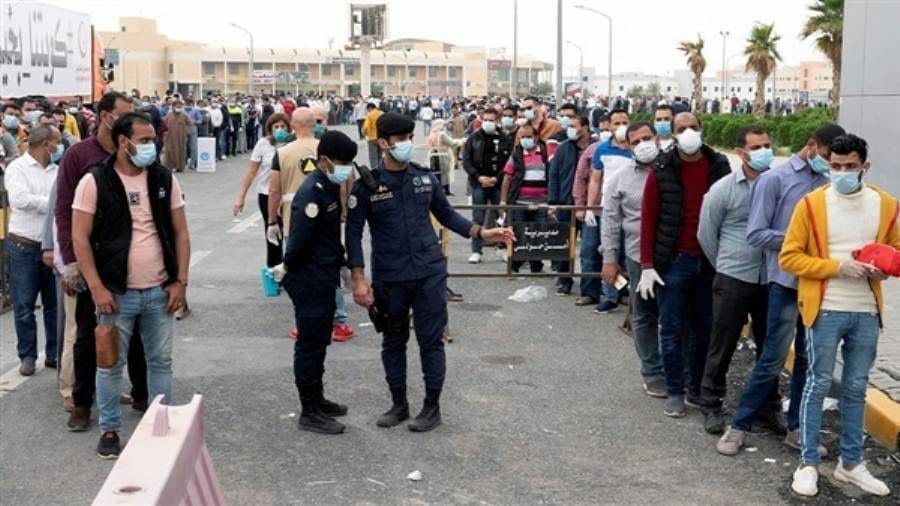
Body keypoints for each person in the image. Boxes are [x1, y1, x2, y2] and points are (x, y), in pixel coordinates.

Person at [346, 112, 514, 432]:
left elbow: (447, 215)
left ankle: (431, 407)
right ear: (383, 143)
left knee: (430, 341)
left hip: (429, 273)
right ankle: (399, 404)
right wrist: (358, 279)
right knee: (393, 341)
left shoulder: (425, 178)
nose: (407, 144)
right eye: (401, 139)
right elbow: (353, 234)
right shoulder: (366, 187)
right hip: (390, 276)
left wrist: (481, 232)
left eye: (410, 138)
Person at [717, 123, 846, 456]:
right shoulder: (775, 180)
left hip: (819, 285)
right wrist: (799, 242)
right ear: (811, 146)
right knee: (772, 359)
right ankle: (739, 426)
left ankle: (796, 428)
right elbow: (756, 233)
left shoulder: (828, 183)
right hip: (786, 284)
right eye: (828, 156)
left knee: (807, 360)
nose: (831, 163)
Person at [70, 112, 189, 459]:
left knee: (161, 362)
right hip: (115, 294)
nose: (152, 146)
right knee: (109, 364)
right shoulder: (95, 181)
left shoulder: (163, 178)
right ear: (123, 142)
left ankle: (159, 427)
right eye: (144, 140)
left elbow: (181, 233)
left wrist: (180, 281)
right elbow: (80, 238)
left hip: (160, 291)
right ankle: (110, 430)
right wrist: (97, 287)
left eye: (153, 139)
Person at [782, 134, 896, 498]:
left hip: (866, 311)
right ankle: (807, 463)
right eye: (835, 166)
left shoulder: (886, 205)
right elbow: (789, 257)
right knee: (817, 383)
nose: (842, 172)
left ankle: (850, 463)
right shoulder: (811, 204)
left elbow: (895, 251)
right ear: (827, 163)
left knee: (857, 387)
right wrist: (837, 267)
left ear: (865, 167)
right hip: (826, 307)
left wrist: (883, 269)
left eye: (850, 166)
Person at [55, 92, 149, 432]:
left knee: (136, 333)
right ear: (105, 116)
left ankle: (142, 394)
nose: (128, 119)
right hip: (90, 260)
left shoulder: (134, 154)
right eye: (123, 113)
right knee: (87, 335)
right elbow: (63, 211)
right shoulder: (79, 156)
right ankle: (82, 403)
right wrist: (70, 261)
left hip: (131, 259)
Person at [637, 112, 731, 418]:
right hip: (674, 261)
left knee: (705, 328)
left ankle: (696, 388)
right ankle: (675, 390)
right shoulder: (662, 169)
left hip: (709, 261)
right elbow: (649, 219)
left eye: (693, 127)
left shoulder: (718, 166)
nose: (688, 132)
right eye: (682, 129)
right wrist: (647, 264)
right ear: (674, 135)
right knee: (672, 328)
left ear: (701, 130)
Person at [269, 131, 358, 434]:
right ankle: (309, 411)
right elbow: (299, 239)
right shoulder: (312, 192)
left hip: (323, 275)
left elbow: (329, 236)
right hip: (308, 278)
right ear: (324, 161)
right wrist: (286, 267)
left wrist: (342, 263)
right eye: (342, 162)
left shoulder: (329, 186)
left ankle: (317, 399)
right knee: (309, 345)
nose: (346, 168)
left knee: (320, 342)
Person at [695, 125, 776, 434]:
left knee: (770, 346)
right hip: (733, 277)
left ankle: (767, 406)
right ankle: (711, 403)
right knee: (723, 343)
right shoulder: (723, 189)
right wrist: (725, 266)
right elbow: (706, 234)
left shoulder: (778, 185)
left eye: (767, 145)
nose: (764, 151)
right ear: (742, 153)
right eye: (756, 147)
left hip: (770, 279)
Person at [602, 121, 665, 398]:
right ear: (627, 146)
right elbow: (611, 221)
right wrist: (609, 259)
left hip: (672, 254)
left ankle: (680, 371)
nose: (642, 145)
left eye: (646, 138)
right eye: (636, 141)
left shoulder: (671, 169)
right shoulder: (620, 178)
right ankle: (652, 372)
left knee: (678, 315)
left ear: (657, 138)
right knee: (644, 314)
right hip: (638, 256)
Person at [5, 124, 61, 376]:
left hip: (51, 246)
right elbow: (20, 200)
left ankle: (53, 352)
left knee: (53, 305)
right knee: (24, 305)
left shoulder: (57, 171)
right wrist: (52, 204)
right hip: (24, 245)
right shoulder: (17, 168)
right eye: (57, 142)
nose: (59, 147)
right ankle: (27, 356)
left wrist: (51, 205)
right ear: (46, 144)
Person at [587, 109, 633, 312]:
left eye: (625, 122)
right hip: (609, 208)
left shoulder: (636, 148)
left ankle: (628, 292)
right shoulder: (602, 149)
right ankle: (610, 295)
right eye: (617, 123)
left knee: (630, 252)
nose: (621, 127)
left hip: (632, 208)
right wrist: (590, 207)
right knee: (609, 251)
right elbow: (595, 179)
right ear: (610, 126)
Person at [234, 113, 291, 267]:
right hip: (267, 196)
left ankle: (292, 270)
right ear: (270, 129)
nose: (280, 130)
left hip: (288, 196)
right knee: (273, 234)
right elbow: (251, 171)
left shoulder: (293, 144)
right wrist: (241, 197)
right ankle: (274, 270)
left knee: (291, 234)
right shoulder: (263, 144)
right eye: (276, 127)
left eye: (283, 126)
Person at [547, 114, 591, 295]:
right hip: (566, 203)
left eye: (574, 126)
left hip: (589, 205)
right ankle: (564, 279)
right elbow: (554, 175)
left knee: (589, 248)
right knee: (565, 244)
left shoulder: (595, 148)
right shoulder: (563, 148)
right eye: (569, 126)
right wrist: (553, 202)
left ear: (585, 128)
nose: (569, 130)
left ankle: (590, 285)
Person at [462, 107, 512, 264]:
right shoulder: (474, 138)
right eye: (486, 120)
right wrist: (478, 177)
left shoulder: (505, 138)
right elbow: (466, 161)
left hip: (497, 184)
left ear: (497, 121)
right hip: (479, 184)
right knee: (478, 218)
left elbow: (509, 162)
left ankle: (502, 248)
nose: (488, 123)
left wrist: (497, 178)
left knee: (502, 217)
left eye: (491, 120)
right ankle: (476, 250)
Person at [499, 123, 549, 273]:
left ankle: (536, 264)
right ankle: (516, 263)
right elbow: (507, 179)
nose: (525, 140)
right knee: (519, 233)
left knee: (539, 233)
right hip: (520, 202)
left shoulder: (546, 154)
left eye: (529, 136)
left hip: (541, 202)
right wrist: (503, 200)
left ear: (536, 137)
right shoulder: (516, 155)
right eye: (522, 137)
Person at [426, 119, 464, 196]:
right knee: (445, 173)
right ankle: (445, 190)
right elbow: (451, 143)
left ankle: (438, 190)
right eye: (443, 125)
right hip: (442, 155)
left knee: (436, 173)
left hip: (433, 155)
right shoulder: (442, 134)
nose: (444, 127)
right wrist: (461, 141)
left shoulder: (432, 133)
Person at [163, 101, 192, 172]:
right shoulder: (169, 114)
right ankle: (169, 166)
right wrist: (165, 133)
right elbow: (163, 123)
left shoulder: (184, 115)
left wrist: (187, 130)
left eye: (180, 107)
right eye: (177, 107)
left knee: (181, 151)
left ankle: (180, 167)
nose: (178, 108)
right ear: (173, 107)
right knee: (170, 151)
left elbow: (190, 123)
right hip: (170, 136)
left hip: (181, 137)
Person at [362, 103, 384, 169]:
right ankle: (381, 169)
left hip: (372, 139)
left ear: (370, 108)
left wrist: (364, 133)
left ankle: (375, 171)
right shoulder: (382, 113)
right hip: (381, 138)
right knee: (380, 155)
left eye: (368, 110)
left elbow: (365, 127)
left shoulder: (369, 115)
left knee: (373, 157)